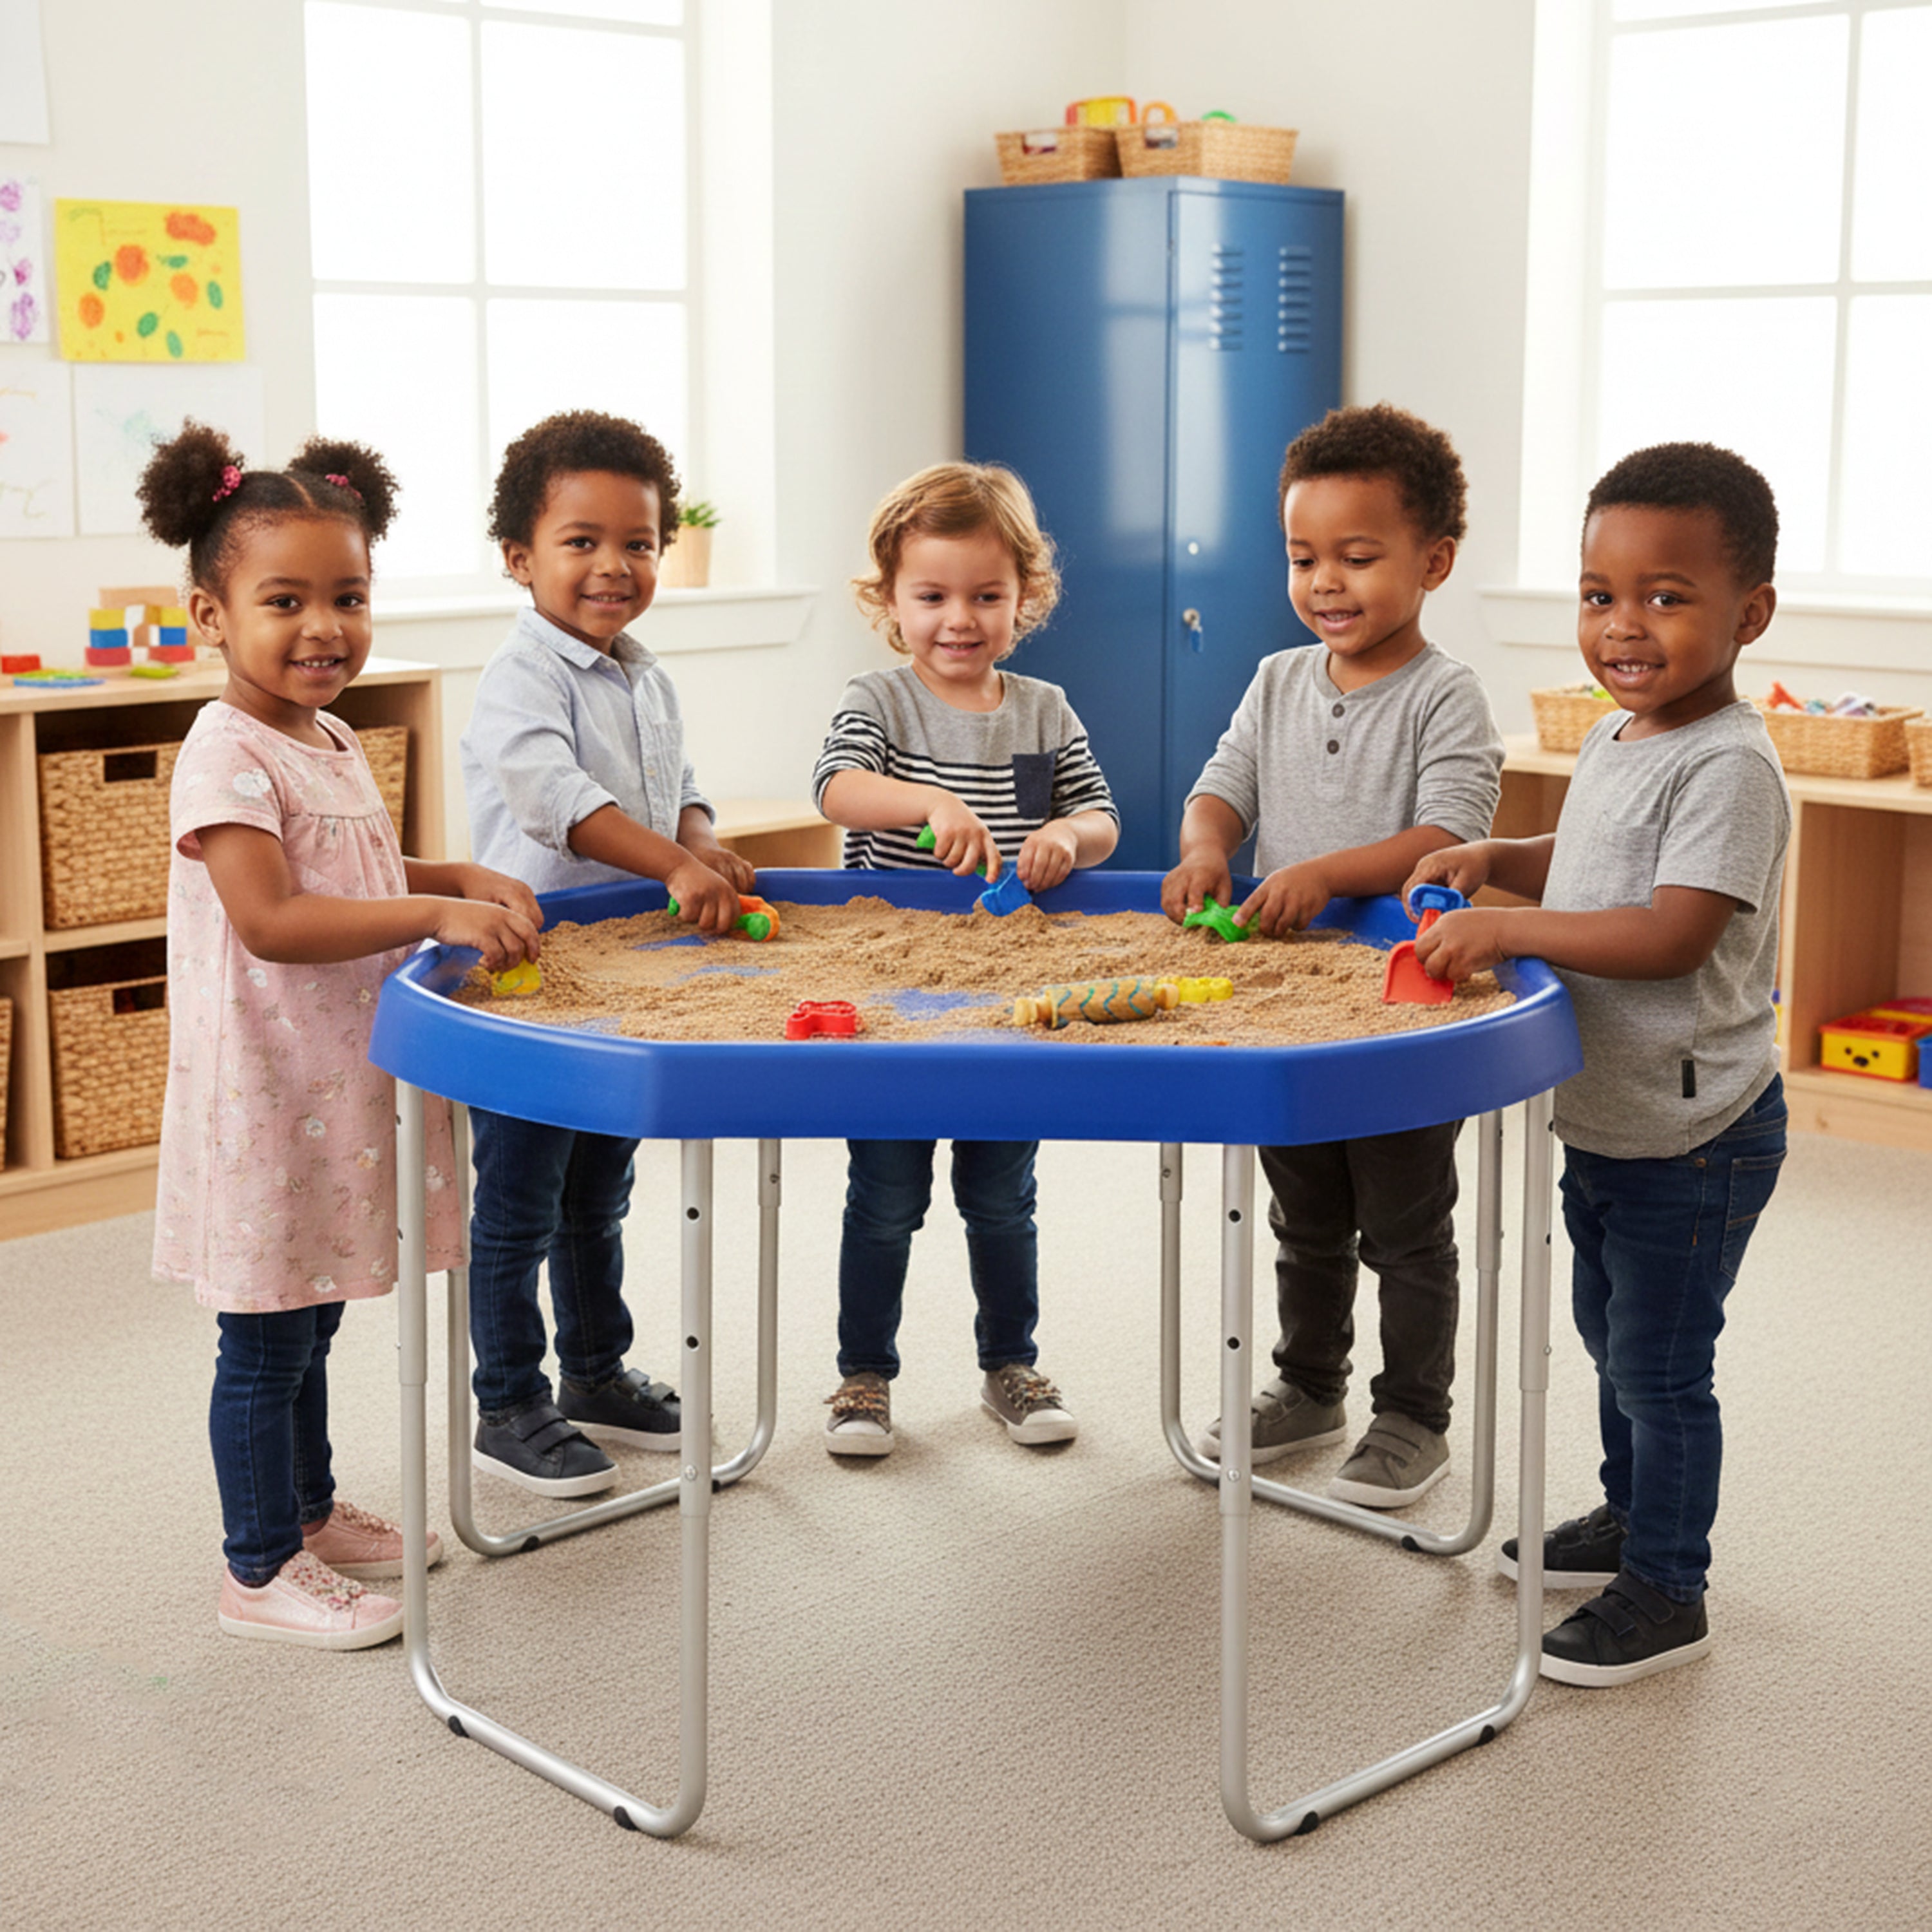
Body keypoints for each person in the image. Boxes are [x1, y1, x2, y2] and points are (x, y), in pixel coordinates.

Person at [143, 423, 542, 1647]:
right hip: (264, 1094)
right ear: (210, 616)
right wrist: (430, 905)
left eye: (348, 596)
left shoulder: (322, 735)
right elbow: (270, 915)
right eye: (285, 601)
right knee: (264, 1342)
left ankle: (308, 1511)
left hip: (329, 1084)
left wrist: (445, 868)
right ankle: (257, 1569)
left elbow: (349, 863)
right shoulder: (226, 753)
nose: (325, 626)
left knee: (310, 1317)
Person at [1405, 442, 1789, 1686]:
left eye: (1666, 597)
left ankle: (1670, 1587)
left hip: (1698, 1132)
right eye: (1598, 594)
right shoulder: (1630, 735)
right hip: (1612, 1118)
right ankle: (1632, 1519)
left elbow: (1668, 932)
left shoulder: (1730, 762)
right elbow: (1591, 854)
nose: (1624, 625)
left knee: (1662, 1368)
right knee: (1611, 1333)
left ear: (1751, 614)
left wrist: (1507, 928)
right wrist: (1497, 858)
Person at [1170, 403, 1503, 1506]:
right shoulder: (1274, 679)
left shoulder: (1445, 694)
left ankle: (1414, 1418)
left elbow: (1447, 839)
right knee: (1303, 1209)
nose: (1326, 582)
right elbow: (1223, 783)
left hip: (1399, 997)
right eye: (1305, 557)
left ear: (1433, 561)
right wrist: (1208, 846)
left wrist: (1327, 872)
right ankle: (1309, 1387)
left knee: (1405, 1224)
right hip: (1287, 1000)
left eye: (1358, 558)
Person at [460, 410, 753, 1498]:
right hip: (534, 976)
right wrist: (674, 871)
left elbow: (671, 783)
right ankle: (510, 1400)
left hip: (628, 980)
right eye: (580, 541)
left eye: (637, 543)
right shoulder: (520, 678)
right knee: (523, 1201)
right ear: (518, 557)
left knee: (599, 1189)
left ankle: (592, 1370)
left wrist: (702, 843)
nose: (612, 566)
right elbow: (559, 803)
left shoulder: (645, 673)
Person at [810, 462, 1119, 1456]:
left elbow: (1100, 813)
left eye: (987, 596)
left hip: (1005, 990)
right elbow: (838, 789)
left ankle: (1010, 1366)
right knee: (886, 1195)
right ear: (889, 602)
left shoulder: (1043, 709)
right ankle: (863, 1377)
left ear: (1025, 598)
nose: (960, 619)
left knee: (1001, 1193)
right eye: (932, 596)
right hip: (891, 991)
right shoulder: (881, 701)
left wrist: (1070, 840)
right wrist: (929, 804)